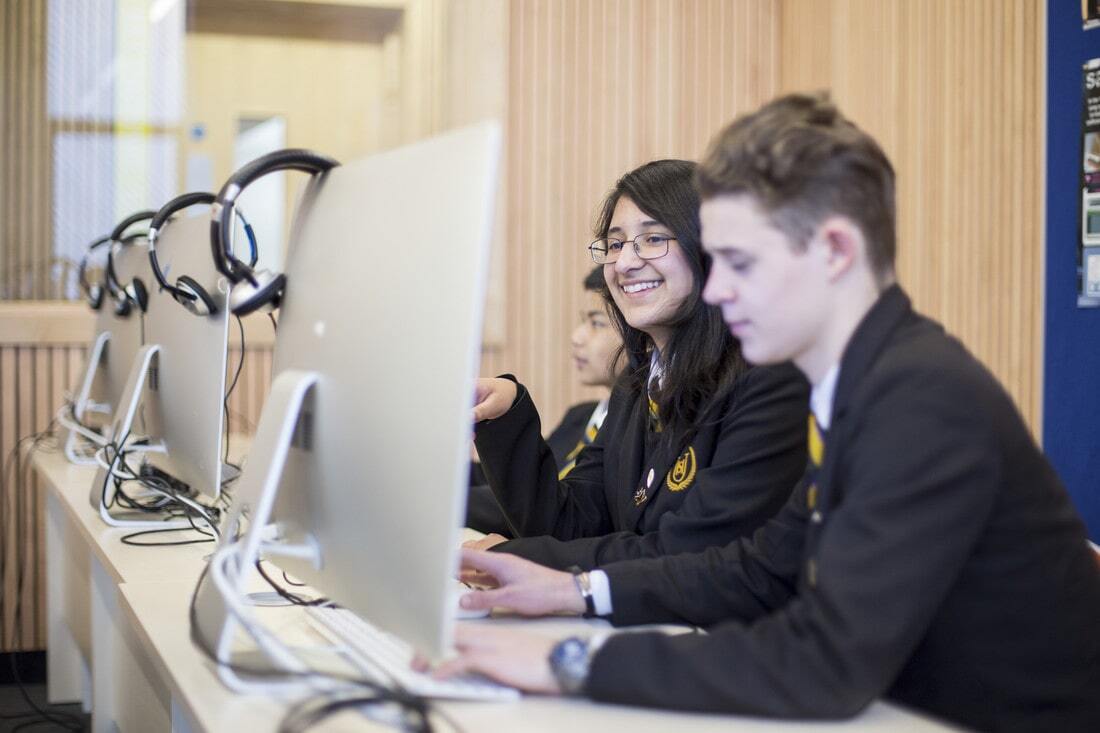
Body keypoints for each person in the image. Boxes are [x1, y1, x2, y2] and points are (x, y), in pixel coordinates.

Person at [436, 94, 1100, 731]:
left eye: (740, 262)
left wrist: (572, 659)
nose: (718, 289)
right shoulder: (862, 381)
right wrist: (573, 593)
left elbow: (823, 661)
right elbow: (758, 567)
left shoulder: (920, 398)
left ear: (835, 252)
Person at [469, 159, 809, 570]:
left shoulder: (770, 380)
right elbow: (570, 523)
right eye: (615, 244)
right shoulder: (637, 385)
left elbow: (691, 553)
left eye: (652, 239)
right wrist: (508, 415)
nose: (624, 263)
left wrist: (514, 558)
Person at [466, 266, 624, 535]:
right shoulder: (580, 416)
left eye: (596, 323)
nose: (576, 337)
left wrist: (449, 501)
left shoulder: (628, 432)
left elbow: (544, 508)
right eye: (582, 321)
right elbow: (526, 483)